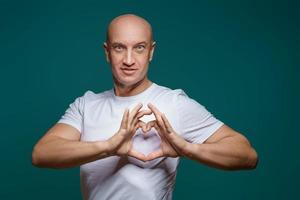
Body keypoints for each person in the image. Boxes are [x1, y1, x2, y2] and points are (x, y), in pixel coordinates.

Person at [32, 14, 258, 200]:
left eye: (139, 48)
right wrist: (110, 146)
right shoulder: (86, 104)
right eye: (119, 48)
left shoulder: (174, 103)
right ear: (106, 52)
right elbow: (42, 154)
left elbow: (247, 156)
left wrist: (187, 148)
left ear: (151, 51)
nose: (129, 60)